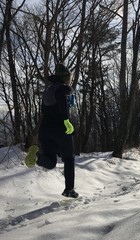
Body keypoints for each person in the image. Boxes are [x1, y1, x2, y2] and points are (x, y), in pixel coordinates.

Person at [25, 63, 78, 198]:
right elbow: (62, 104)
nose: (70, 80)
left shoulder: (48, 90)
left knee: (50, 162)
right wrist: (67, 121)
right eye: (69, 77)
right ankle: (69, 189)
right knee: (69, 159)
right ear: (66, 77)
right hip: (61, 130)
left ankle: (37, 155)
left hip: (45, 130)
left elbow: (46, 110)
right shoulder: (63, 89)